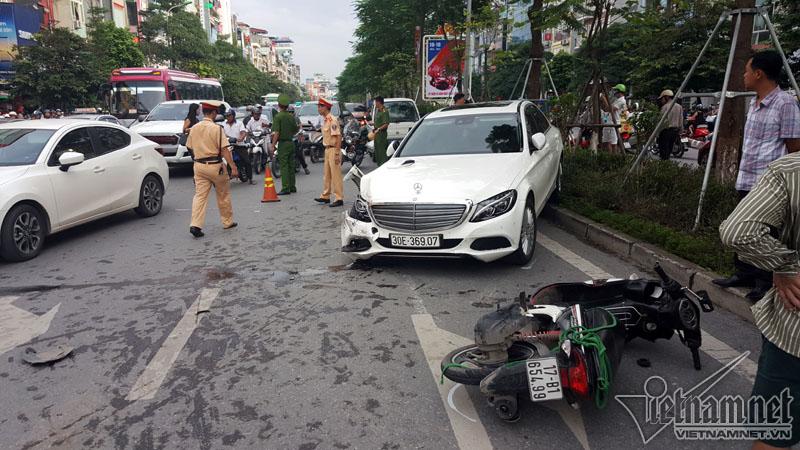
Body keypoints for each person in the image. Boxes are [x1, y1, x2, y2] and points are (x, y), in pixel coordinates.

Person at [718, 152, 800, 450]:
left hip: (794, 333)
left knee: (773, 436)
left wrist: (785, 265)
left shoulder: (791, 170)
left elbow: (737, 231)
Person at [714, 50, 800, 301]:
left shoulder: (785, 104)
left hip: (769, 184)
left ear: (759, 74)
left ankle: (765, 280)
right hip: (748, 178)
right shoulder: (754, 103)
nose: (744, 75)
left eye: (747, 71)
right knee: (742, 226)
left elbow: (795, 147)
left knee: (766, 231)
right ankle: (744, 273)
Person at [186, 101, 238, 238]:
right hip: (215, 166)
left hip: (199, 166)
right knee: (223, 195)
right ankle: (227, 222)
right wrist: (233, 166)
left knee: (200, 196)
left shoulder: (194, 128)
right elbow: (224, 150)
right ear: (214, 113)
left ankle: (195, 225)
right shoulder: (217, 129)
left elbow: (189, 146)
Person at [314, 97, 344, 207]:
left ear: (325, 107)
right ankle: (325, 196)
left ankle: (339, 198)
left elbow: (338, 137)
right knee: (327, 175)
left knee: (336, 175)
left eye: (320, 106)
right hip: (327, 149)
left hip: (333, 149)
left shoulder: (332, 120)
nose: (318, 108)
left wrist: (336, 153)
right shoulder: (326, 120)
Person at [271, 94, 299, 195]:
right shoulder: (291, 116)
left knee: (284, 166)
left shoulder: (278, 117)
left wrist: (273, 145)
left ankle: (286, 188)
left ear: (279, 105)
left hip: (283, 144)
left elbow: (276, 133)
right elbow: (296, 129)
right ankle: (292, 187)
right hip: (291, 142)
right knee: (291, 165)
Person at [223, 109, 251, 184]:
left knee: (247, 161)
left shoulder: (239, 123)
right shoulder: (223, 124)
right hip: (227, 146)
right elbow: (222, 134)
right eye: (226, 116)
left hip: (238, 145)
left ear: (233, 115)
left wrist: (240, 138)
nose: (228, 117)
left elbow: (243, 132)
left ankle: (250, 178)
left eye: (229, 115)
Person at [656, 89, 683, 160]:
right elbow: (681, 120)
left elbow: (661, 121)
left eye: (662, 98)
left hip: (665, 131)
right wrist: (680, 131)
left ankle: (663, 164)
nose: (662, 100)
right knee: (669, 150)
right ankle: (666, 163)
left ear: (666, 97)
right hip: (675, 131)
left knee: (663, 151)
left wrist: (657, 132)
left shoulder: (665, 107)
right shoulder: (679, 107)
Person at [372, 96, 390, 166]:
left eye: (375, 102)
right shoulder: (378, 111)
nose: (375, 104)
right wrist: (372, 123)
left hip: (381, 134)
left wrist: (379, 129)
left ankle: (383, 165)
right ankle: (379, 165)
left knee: (381, 151)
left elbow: (386, 124)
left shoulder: (384, 111)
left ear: (379, 102)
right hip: (376, 134)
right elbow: (378, 122)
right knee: (377, 151)